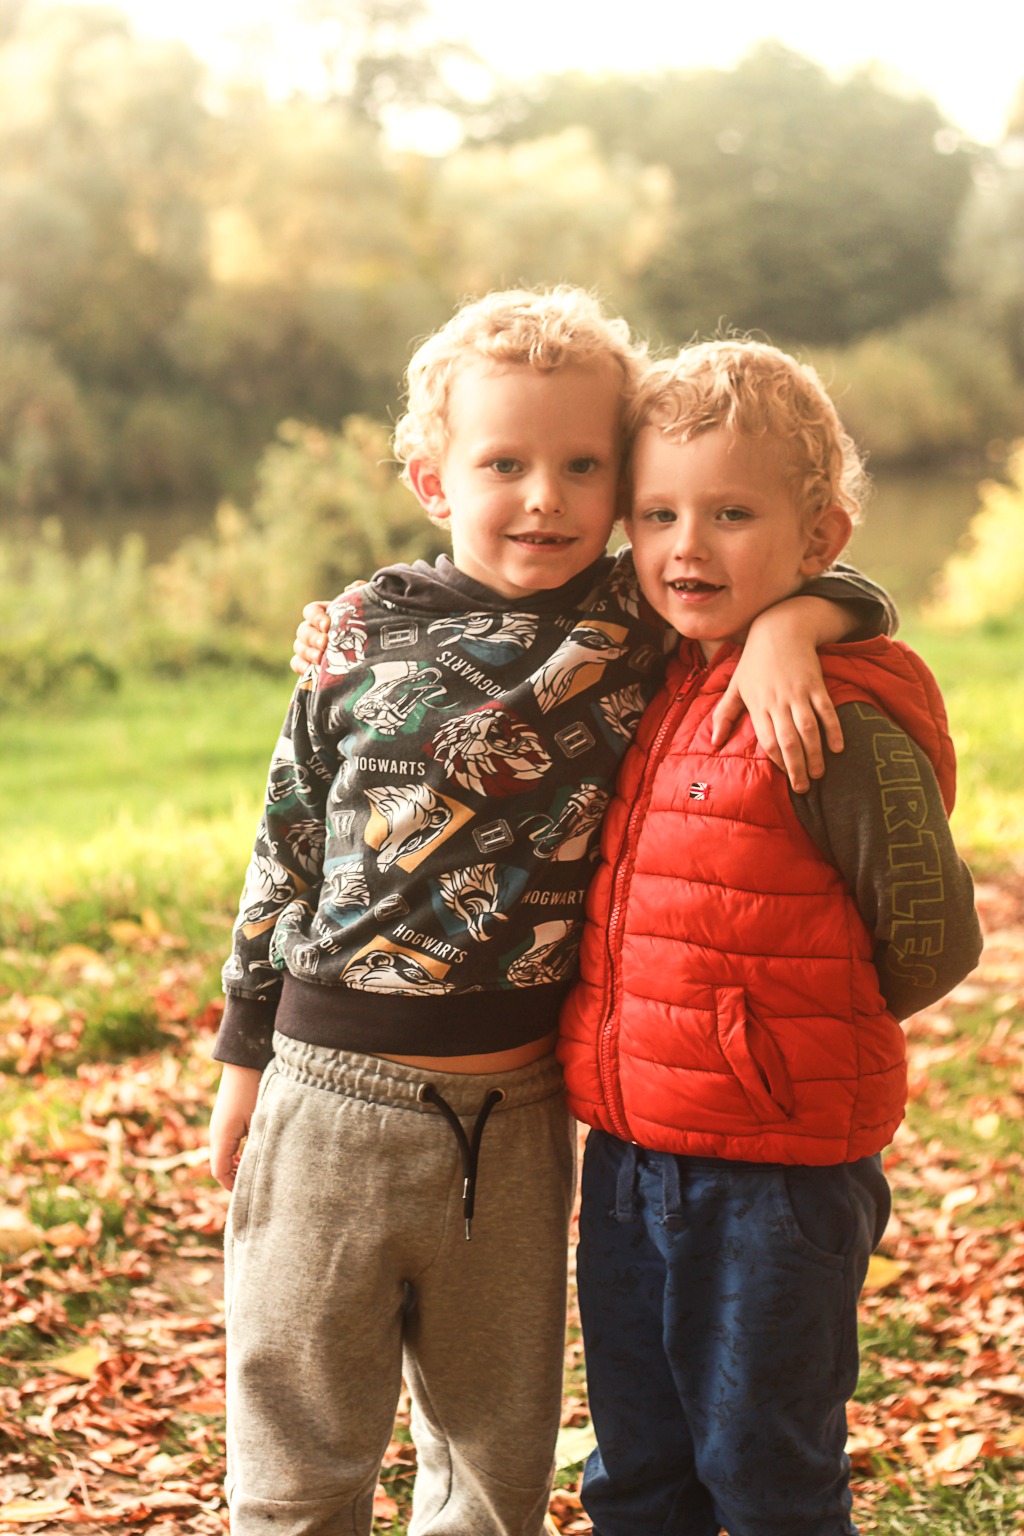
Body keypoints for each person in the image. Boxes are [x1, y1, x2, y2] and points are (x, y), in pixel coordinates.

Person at [210, 289, 895, 1536]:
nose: (547, 498)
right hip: (327, 1087)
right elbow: (288, 842)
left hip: (519, 1112)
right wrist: (243, 1056)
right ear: (431, 477)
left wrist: (796, 623)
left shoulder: (634, 618)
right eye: (505, 465)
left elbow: (822, 569)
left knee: (492, 1460)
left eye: (586, 467)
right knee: (301, 1445)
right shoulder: (359, 632)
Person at [556, 339, 984, 1536]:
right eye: (657, 514)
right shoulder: (652, 666)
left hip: (775, 1177)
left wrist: (776, 1024)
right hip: (632, 1157)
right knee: (637, 1469)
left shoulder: (827, 714)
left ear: (819, 537)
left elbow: (933, 940)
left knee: (763, 1475)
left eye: (731, 513)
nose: (686, 547)